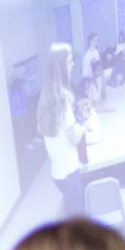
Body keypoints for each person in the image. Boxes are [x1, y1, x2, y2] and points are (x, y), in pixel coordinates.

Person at [38, 43, 86, 216]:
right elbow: (74, 137)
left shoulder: (45, 98)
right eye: (70, 61)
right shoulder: (64, 98)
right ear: (60, 67)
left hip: (57, 173)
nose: (73, 65)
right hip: (70, 171)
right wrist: (82, 126)